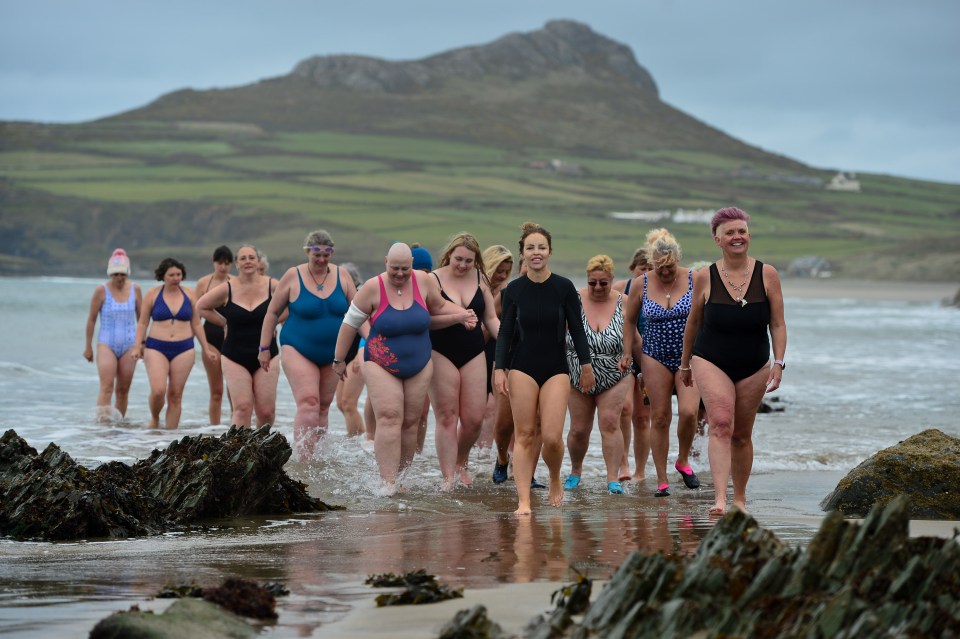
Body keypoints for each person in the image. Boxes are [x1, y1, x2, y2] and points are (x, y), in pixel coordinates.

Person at [331, 242, 477, 494]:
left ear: (412, 265)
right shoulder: (371, 288)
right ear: (386, 262)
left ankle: (401, 479)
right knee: (389, 417)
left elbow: (440, 306)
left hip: (419, 363)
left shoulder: (423, 281)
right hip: (380, 362)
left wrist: (464, 314)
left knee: (410, 423)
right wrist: (339, 359)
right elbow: (349, 324)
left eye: (405, 269)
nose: (400, 274)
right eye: (395, 268)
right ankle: (387, 483)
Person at [680, 207, 786, 514]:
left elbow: (777, 323)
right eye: (730, 232)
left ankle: (739, 497)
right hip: (711, 358)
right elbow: (693, 324)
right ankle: (720, 499)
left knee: (742, 434)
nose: (736, 237)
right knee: (721, 424)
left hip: (754, 363)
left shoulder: (768, 274)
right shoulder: (704, 277)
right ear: (718, 239)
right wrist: (685, 364)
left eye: (741, 231)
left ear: (748, 236)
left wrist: (778, 363)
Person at [494, 222, 595, 515]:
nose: (536, 252)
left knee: (551, 437)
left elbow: (576, 329)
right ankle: (523, 501)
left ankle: (553, 477)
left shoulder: (563, 288)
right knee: (524, 434)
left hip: (556, 368)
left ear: (549, 251)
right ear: (523, 254)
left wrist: (586, 366)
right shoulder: (513, 290)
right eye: (530, 248)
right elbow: (505, 333)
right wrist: (500, 368)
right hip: (522, 366)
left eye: (541, 247)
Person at [258, 230, 357, 461]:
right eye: (316, 254)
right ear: (307, 252)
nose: (321, 259)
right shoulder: (293, 276)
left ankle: (318, 459)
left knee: (323, 406)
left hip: (333, 352)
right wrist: (264, 348)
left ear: (331, 252)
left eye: (326, 254)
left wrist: (362, 347)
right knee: (309, 402)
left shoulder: (343, 276)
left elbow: (357, 313)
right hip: (298, 346)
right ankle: (303, 459)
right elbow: (272, 312)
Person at [623, 229, 701, 498]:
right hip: (653, 355)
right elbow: (629, 321)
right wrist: (626, 353)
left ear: (678, 258)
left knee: (690, 412)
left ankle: (682, 460)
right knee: (659, 417)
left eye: (670, 266)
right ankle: (662, 479)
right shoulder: (641, 284)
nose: (665, 272)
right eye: (660, 267)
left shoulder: (694, 278)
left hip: (688, 357)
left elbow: (709, 313)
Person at [427, 232, 501, 490]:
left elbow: (490, 318)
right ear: (449, 255)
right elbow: (427, 320)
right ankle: (448, 476)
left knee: (474, 419)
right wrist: (456, 318)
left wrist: (507, 341)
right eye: (458, 259)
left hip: (473, 351)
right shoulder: (432, 279)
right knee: (447, 416)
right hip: (440, 350)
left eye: (469, 261)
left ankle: (460, 462)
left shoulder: (481, 279)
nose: (463, 265)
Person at [563, 255, 632, 494]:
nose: (598, 288)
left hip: (615, 373)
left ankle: (612, 478)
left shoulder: (625, 302)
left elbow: (635, 338)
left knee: (610, 423)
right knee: (579, 428)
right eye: (593, 283)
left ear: (612, 279)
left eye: (604, 283)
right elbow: (558, 336)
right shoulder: (574, 299)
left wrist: (636, 361)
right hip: (577, 372)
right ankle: (575, 470)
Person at [197, 245, 282, 428]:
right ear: (236, 264)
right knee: (242, 408)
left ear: (258, 261)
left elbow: (293, 304)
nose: (248, 261)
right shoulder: (228, 287)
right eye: (243, 258)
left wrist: (273, 322)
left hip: (267, 353)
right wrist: (223, 322)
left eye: (251, 257)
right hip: (234, 354)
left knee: (266, 411)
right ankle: (239, 453)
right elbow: (201, 307)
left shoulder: (272, 285)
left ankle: (262, 450)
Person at [133, 257, 214, 429]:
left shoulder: (190, 294)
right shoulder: (153, 294)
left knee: (176, 395)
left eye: (179, 274)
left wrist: (206, 348)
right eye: (172, 275)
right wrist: (137, 345)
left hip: (184, 348)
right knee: (158, 390)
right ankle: (155, 418)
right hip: (156, 347)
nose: (176, 278)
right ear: (163, 276)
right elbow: (142, 322)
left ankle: (170, 438)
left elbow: (197, 324)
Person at [83, 249, 142, 422]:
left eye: (123, 274)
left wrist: (142, 344)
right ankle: (103, 425)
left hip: (129, 345)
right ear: (110, 273)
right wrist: (88, 347)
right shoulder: (101, 291)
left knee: (123, 390)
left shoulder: (135, 289)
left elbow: (142, 319)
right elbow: (92, 320)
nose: (119, 278)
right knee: (107, 387)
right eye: (116, 274)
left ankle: (119, 427)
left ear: (127, 273)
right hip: (106, 344)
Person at [612, 247, 652, 480]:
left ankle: (640, 471)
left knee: (642, 417)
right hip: (625, 355)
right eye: (642, 268)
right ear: (632, 268)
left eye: (651, 269)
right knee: (624, 410)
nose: (646, 273)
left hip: (650, 357)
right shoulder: (621, 288)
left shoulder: (660, 290)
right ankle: (623, 463)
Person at [479, 245, 513, 453]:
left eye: (506, 272)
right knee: (477, 410)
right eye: (498, 271)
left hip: (495, 350)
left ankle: (487, 454)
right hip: (476, 351)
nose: (502, 276)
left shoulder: (505, 291)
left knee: (493, 409)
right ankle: (477, 456)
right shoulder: (476, 286)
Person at [194, 245, 233, 425]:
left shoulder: (235, 282)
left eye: (226, 263)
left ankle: (237, 427)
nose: (223, 267)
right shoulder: (204, 283)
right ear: (214, 262)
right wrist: (202, 345)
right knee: (216, 391)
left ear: (231, 264)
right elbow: (196, 316)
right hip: (210, 337)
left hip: (232, 338)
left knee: (233, 389)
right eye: (220, 263)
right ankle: (214, 430)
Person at [334, 262, 367, 437]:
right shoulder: (340, 298)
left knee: (348, 402)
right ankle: (361, 435)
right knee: (340, 403)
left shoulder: (362, 295)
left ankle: (354, 444)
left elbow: (367, 327)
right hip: (344, 358)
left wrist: (357, 358)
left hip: (357, 356)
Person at [410, 243, 434, 453]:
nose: (423, 275)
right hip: (399, 357)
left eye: (427, 272)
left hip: (427, 354)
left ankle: (417, 453)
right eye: (419, 270)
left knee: (423, 411)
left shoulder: (431, 290)